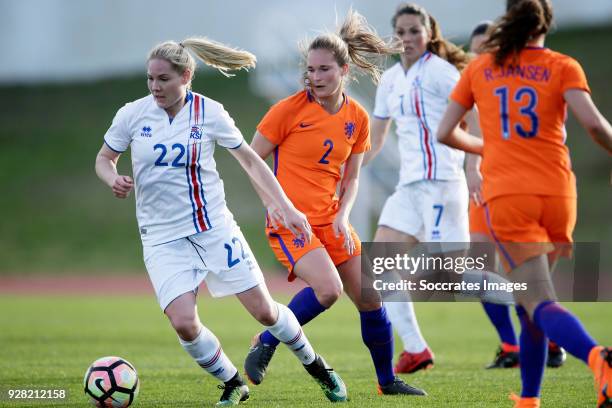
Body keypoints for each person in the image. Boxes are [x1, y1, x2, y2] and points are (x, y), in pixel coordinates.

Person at [95, 37, 349, 407]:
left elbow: (250, 160)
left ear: (186, 76)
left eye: (163, 79)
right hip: (162, 238)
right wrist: (112, 178)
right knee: (183, 322)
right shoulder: (133, 114)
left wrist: (287, 207)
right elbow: (104, 158)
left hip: (213, 228)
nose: (155, 87)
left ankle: (318, 368)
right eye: (150, 79)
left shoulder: (209, 113)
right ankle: (232, 383)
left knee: (264, 311)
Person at [437, 0, 612, 406]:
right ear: (546, 23)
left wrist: (490, 147)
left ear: (507, 18)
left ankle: (597, 357)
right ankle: (529, 399)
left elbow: (446, 131)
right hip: (558, 193)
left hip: (511, 196)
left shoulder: (482, 67)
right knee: (530, 299)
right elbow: (594, 125)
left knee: (537, 300)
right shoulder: (564, 65)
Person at [243, 10, 426, 397]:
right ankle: (267, 340)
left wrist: (343, 215)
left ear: (344, 71)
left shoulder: (357, 117)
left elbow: (353, 176)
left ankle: (387, 382)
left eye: (324, 69)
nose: (315, 76)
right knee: (327, 290)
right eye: (311, 69)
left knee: (370, 298)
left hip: (331, 220)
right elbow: (251, 160)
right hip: (292, 222)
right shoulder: (287, 110)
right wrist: (274, 204)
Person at [362, 3, 472, 374]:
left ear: (429, 34)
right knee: (378, 262)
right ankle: (416, 348)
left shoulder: (442, 73)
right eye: (401, 32)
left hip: (443, 181)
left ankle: (535, 307)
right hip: (409, 186)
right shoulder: (390, 80)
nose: (407, 38)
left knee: (453, 274)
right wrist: (348, 170)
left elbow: (474, 119)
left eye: (414, 31)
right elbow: (376, 140)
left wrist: (476, 166)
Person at [466, 20, 567, 370]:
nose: (480, 56)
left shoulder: (509, 83)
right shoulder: (472, 82)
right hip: (482, 187)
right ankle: (518, 342)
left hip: (509, 187)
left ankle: (548, 337)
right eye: (475, 51)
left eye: (487, 49)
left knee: (515, 276)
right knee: (477, 273)